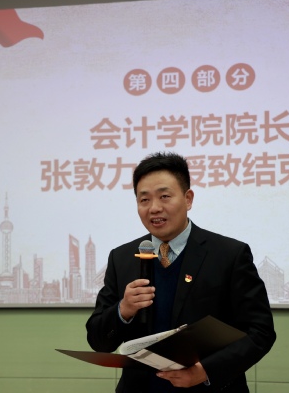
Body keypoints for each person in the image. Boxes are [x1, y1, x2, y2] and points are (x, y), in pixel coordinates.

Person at [86, 152, 276, 392]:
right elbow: (98, 341)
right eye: (144, 200)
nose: (154, 208)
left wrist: (205, 371)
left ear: (188, 199)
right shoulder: (121, 258)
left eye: (164, 196)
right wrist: (123, 310)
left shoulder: (229, 255)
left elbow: (260, 332)